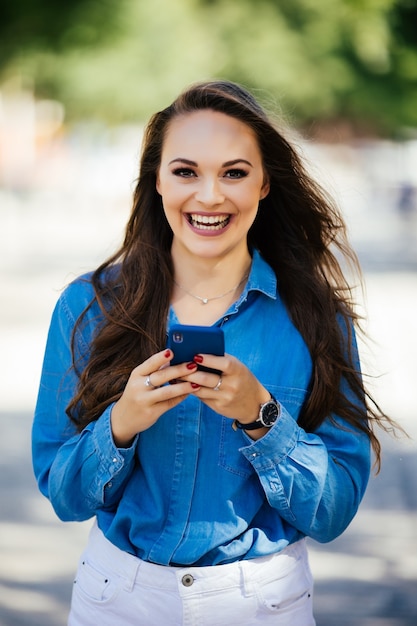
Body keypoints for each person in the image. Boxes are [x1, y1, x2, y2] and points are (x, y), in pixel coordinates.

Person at [32, 80, 393, 626]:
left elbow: (334, 508)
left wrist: (263, 417)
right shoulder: (88, 306)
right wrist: (121, 424)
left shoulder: (316, 317)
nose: (209, 196)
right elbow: (64, 494)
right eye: (185, 171)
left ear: (265, 182)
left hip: (263, 604)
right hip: (117, 599)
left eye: (233, 172)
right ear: (156, 180)